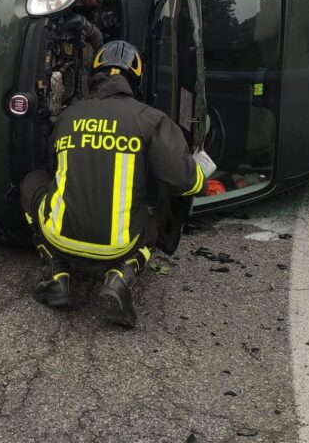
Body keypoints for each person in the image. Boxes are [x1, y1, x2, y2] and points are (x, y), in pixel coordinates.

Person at [19, 40, 205, 328]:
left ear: (95, 75)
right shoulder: (151, 119)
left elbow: (54, 170)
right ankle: (121, 276)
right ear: (136, 80)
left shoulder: (69, 115)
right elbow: (186, 181)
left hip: (60, 235)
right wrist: (200, 175)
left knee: (33, 182)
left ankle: (56, 273)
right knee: (152, 220)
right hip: (118, 245)